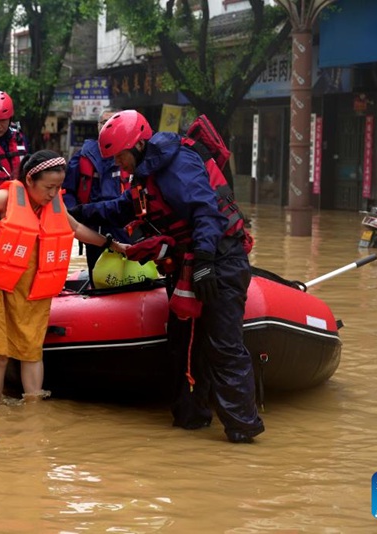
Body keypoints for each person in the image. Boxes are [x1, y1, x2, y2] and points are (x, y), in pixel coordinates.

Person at [69, 110, 264, 443]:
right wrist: (77, 212)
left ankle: (243, 429)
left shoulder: (178, 165)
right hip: (188, 264)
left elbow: (206, 212)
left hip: (218, 261)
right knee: (183, 344)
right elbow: (124, 207)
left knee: (223, 345)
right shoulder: (148, 174)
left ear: (139, 144)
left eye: (121, 155)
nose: (119, 164)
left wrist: (203, 261)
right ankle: (191, 419)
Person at [0, 150, 128, 406]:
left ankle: (33, 414)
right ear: (30, 181)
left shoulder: (53, 205)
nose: (54, 194)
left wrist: (112, 244)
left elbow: (75, 229)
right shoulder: (5, 198)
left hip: (29, 290)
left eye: (58, 187)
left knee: (32, 352)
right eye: (49, 187)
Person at [62, 108, 132, 283]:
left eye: (113, 122)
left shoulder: (130, 155)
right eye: (104, 123)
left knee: (130, 269)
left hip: (124, 223)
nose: (108, 126)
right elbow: (68, 190)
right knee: (97, 271)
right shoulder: (83, 156)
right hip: (93, 222)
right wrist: (73, 215)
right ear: (97, 126)